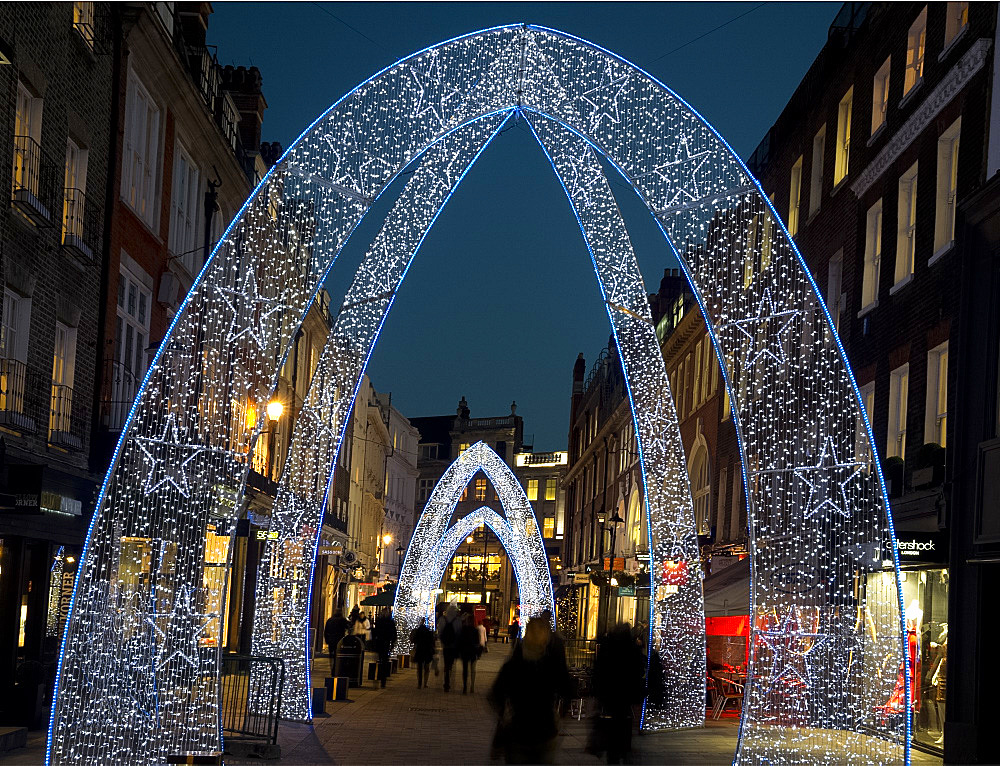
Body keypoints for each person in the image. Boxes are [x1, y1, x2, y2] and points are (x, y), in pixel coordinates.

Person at [489, 616, 573, 764]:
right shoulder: (550, 665)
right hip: (545, 730)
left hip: (518, 730)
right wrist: (560, 715)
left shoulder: (514, 665)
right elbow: (568, 690)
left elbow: (495, 695)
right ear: (545, 638)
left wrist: (503, 715)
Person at [590, 622, 646, 764]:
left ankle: (613, 753)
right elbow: (638, 671)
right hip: (625, 695)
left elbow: (598, 671)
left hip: (609, 694)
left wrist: (598, 693)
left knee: (611, 721)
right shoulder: (632, 649)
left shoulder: (607, 649)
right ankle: (624, 749)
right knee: (625, 720)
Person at [438, 603, 463, 692]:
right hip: (454, 646)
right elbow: (459, 633)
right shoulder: (458, 620)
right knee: (451, 664)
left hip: (445, 646)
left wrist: (443, 641)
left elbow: (440, 633)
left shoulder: (442, 619)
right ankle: (449, 680)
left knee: (446, 663)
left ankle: (446, 680)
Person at [372, 607, 398, 688]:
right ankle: (383, 681)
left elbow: (375, 632)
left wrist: (374, 642)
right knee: (384, 662)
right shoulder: (390, 622)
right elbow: (394, 633)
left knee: (379, 660)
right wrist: (393, 643)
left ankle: (377, 678)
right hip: (386, 643)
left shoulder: (379, 621)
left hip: (380, 643)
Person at [459, 613, 483, 694]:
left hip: (465, 652)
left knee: (465, 670)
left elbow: (460, 641)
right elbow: (478, 642)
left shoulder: (463, 629)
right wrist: (478, 653)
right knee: (473, 669)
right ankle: (472, 686)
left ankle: (465, 686)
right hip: (473, 652)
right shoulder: (475, 630)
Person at [410, 618, 436, 688]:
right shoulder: (428, 631)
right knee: (426, 668)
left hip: (419, 650)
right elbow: (432, 642)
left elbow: (414, 640)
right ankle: (425, 683)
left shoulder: (417, 631)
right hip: (427, 651)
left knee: (419, 667)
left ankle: (419, 683)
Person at [324, 609, 349, 676]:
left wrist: (327, 640)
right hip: (339, 640)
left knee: (331, 656)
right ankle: (336, 670)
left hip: (331, 640)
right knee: (338, 656)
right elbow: (348, 627)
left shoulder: (330, 620)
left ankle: (332, 670)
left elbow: (326, 631)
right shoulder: (342, 620)